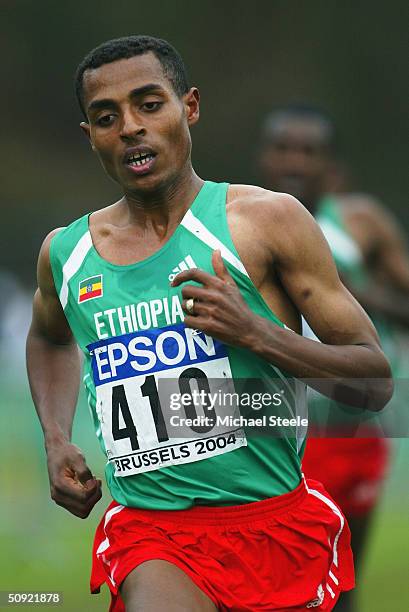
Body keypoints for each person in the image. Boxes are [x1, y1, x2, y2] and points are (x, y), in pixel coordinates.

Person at [26, 37, 392, 612]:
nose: (129, 128)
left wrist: (259, 334)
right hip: (152, 532)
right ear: (90, 135)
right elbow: (48, 336)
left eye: (149, 105)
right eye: (106, 117)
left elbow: (373, 381)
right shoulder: (67, 254)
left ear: (188, 107)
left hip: (271, 523)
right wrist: (55, 438)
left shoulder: (265, 222)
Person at [256, 103, 409, 611]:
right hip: (269, 425)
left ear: (333, 168)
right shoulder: (239, 220)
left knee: (341, 585)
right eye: (283, 149)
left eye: (309, 151)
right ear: (264, 160)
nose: (294, 161)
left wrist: (350, 289)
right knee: (270, 584)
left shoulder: (359, 222)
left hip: (352, 425)